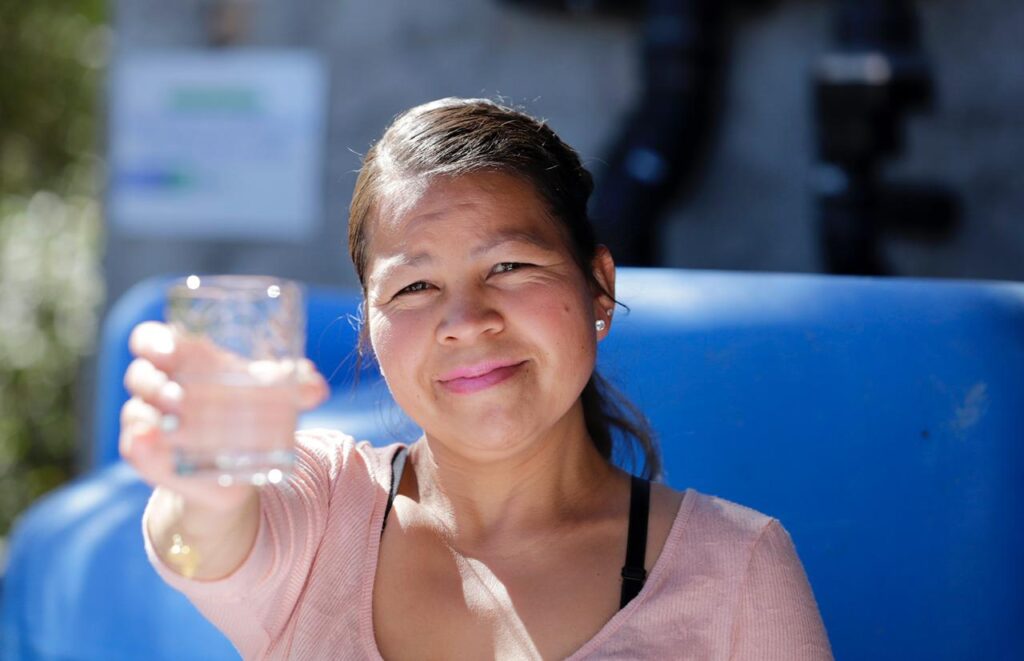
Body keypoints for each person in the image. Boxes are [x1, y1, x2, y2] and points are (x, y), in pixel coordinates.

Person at [122, 97, 833, 660]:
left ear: (599, 288)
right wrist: (203, 489)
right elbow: (203, 543)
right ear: (370, 327)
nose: (466, 319)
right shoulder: (326, 507)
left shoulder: (739, 566)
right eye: (415, 287)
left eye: (510, 266)